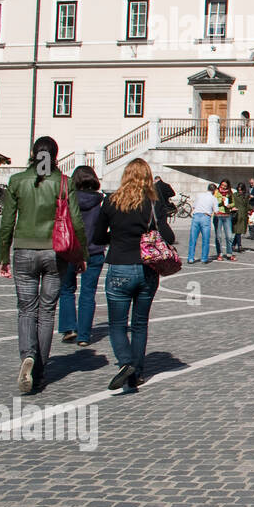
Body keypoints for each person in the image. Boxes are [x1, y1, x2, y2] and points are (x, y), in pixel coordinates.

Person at [0, 136, 87, 394]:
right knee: (47, 311)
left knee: (26, 309)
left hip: (24, 250)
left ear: (33, 153)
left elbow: (6, 224)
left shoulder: (17, 181)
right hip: (55, 253)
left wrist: (4, 256)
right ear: (55, 155)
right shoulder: (63, 182)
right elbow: (77, 222)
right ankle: (39, 371)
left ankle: (28, 355)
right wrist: (81, 255)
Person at [94, 157, 176, 391]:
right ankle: (136, 373)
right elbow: (168, 236)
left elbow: (98, 237)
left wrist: (118, 238)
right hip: (147, 268)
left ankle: (126, 362)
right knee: (140, 324)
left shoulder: (110, 201)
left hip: (119, 265)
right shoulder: (152, 203)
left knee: (117, 324)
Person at [58, 166, 107, 347]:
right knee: (88, 293)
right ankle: (84, 336)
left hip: (70, 250)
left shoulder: (68, 200)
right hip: (94, 251)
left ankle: (69, 328)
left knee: (66, 289)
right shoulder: (100, 201)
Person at [189, 184, 217, 264]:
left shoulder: (199, 195)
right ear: (214, 190)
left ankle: (191, 258)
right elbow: (216, 210)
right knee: (205, 239)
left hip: (196, 216)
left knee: (193, 239)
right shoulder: (213, 198)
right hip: (205, 216)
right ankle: (204, 258)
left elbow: (194, 206)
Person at [212, 179, 236, 261]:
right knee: (218, 236)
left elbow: (233, 203)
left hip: (227, 215)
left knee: (229, 236)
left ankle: (229, 254)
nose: (223, 187)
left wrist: (230, 205)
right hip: (218, 215)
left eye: (225, 186)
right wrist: (220, 200)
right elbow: (213, 202)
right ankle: (220, 253)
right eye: (222, 185)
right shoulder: (216, 192)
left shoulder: (230, 192)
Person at [231, 183, 250, 254]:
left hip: (244, 216)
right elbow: (231, 203)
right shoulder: (234, 195)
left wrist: (251, 210)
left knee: (239, 232)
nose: (240, 191)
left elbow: (247, 205)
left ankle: (233, 245)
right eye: (239, 190)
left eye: (241, 190)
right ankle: (239, 246)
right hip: (237, 215)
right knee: (238, 231)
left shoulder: (246, 196)